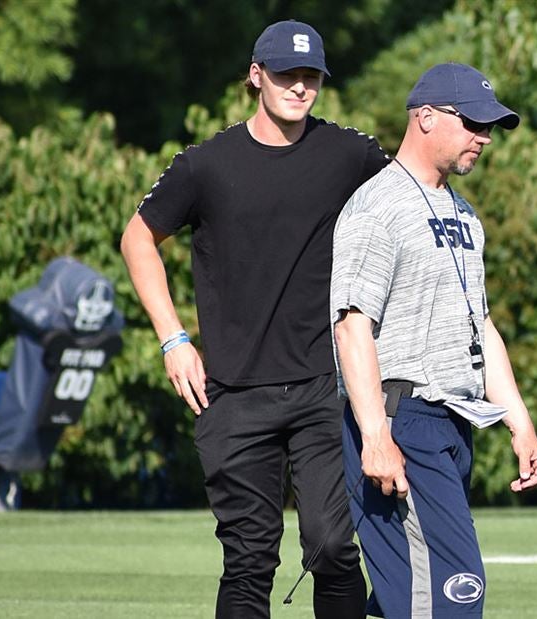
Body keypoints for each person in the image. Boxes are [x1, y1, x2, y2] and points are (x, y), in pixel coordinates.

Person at [119, 20, 388, 618]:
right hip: (234, 395)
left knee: (333, 546)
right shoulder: (203, 165)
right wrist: (173, 340)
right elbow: (138, 241)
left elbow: (408, 201)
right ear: (255, 75)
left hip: (326, 385)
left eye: (311, 76)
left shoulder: (350, 153)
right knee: (248, 560)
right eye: (288, 74)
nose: (300, 87)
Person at [330, 62, 537, 618]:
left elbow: (482, 325)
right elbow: (351, 327)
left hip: (452, 423)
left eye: (491, 126)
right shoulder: (376, 207)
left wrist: (519, 424)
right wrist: (376, 436)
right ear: (425, 117)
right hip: (402, 423)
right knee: (454, 593)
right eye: (473, 122)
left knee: (408, 599)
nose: (484, 137)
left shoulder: (464, 214)